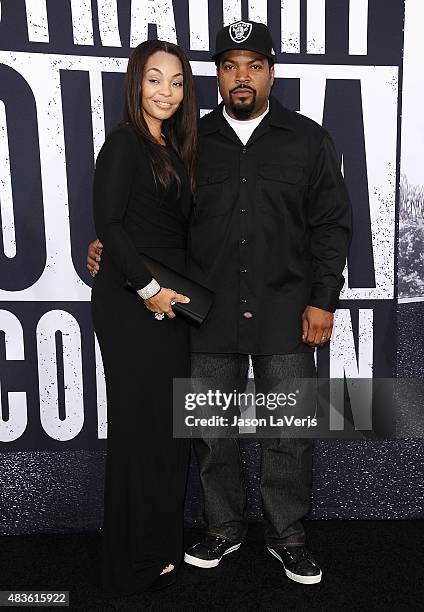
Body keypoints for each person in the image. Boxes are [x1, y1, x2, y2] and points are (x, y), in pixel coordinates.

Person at [88, 21, 352, 586]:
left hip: (285, 308)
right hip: (203, 312)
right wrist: (109, 252)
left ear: (271, 73)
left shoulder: (308, 140)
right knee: (211, 430)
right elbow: (152, 214)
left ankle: (288, 537)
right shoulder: (189, 140)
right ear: (216, 76)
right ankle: (223, 528)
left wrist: (324, 300)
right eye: (230, 66)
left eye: (254, 65)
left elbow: (332, 225)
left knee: (290, 430)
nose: (242, 77)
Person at [90, 39, 198, 595]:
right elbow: (110, 225)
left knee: (165, 432)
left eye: (177, 82)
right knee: (139, 432)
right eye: (155, 79)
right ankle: (127, 562)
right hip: (134, 308)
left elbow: (164, 230)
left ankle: (156, 547)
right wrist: (150, 289)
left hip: (169, 307)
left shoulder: (173, 149)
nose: (166, 92)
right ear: (136, 84)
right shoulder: (125, 143)